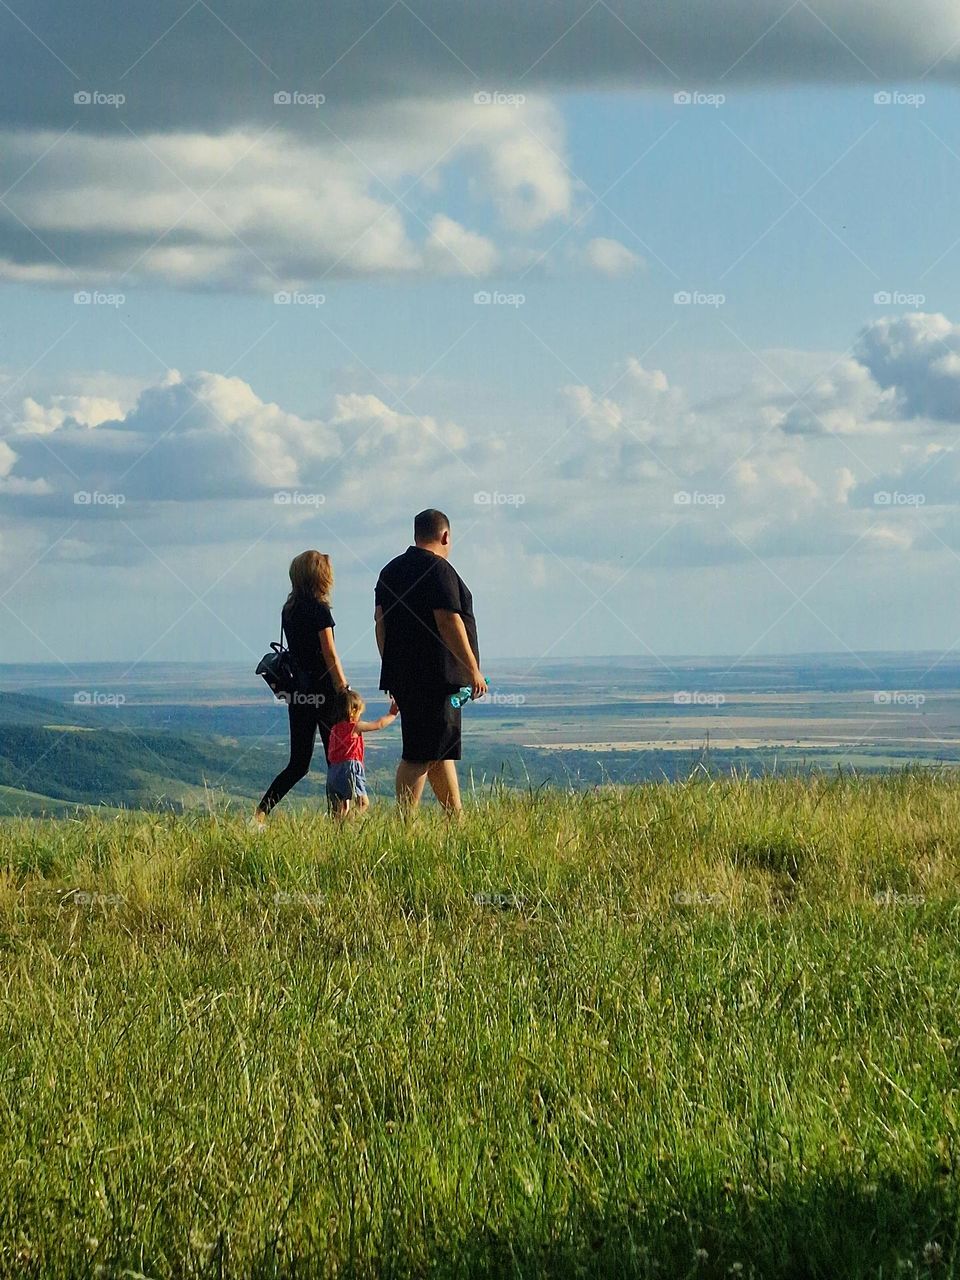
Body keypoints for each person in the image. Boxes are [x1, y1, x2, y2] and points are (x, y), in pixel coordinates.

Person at [374, 509, 486, 813]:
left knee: (439, 749)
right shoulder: (439, 570)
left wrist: (392, 668)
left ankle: (456, 819)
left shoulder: (389, 571)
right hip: (438, 677)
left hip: (407, 677)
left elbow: (380, 623)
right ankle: (403, 827)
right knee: (419, 754)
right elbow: (448, 621)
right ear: (445, 535)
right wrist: (472, 669)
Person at [253, 550, 350, 826]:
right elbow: (329, 653)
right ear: (320, 576)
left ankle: (260, 814)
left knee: (298, 763)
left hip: (299, 692)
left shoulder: (290, 610)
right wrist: (343, 688)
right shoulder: (320, 611)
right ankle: (338, 822)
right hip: (326, 692)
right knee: (336, 760)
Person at [325, 688, 399, 818]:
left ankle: (337, 832)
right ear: (353, 711)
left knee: (340, 808)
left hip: (333, 771)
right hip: (350, 768)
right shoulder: (355, 727)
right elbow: (379, 724)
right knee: (363, 803)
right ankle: (349, 822)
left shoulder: (334, 729)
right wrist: (392, 714)